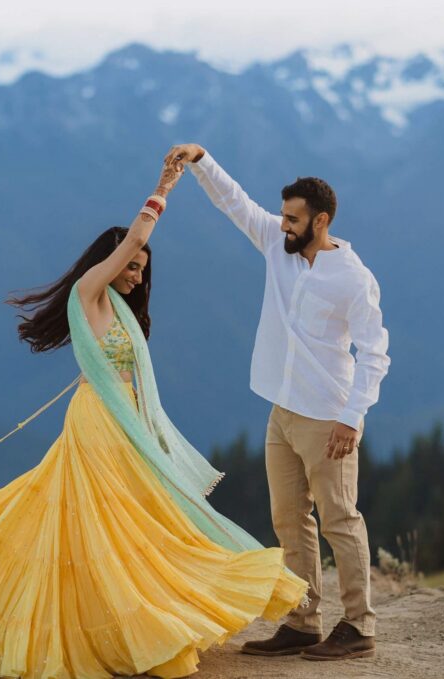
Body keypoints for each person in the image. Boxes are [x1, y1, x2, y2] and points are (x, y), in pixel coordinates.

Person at [0, 157, 307, 679]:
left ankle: (139, 625)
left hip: (124, 424)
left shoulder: (116, 307)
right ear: (110, 261)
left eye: (141, 270)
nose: (136, 275)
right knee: (111, 528)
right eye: (131, 266)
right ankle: (125, 630)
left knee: (132, 528)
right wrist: (162, 190)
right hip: (99, 426)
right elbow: (132, 242)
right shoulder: (89, 291)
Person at [167, 143, 390, 661]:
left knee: (339, 520)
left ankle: (359, 626)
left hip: (327, 415)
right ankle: (303, 620)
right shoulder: (275, 243)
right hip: (281, 409)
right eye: (283, 216)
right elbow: (235, 202)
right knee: (289, 520)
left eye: (293, 218)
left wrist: (352, 418)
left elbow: (376, 353)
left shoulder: (353, 278)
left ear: (321, 221)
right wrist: (201, 161)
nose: (282, 224)